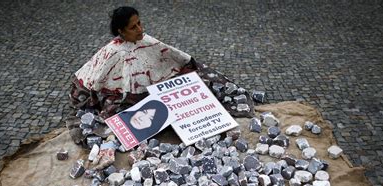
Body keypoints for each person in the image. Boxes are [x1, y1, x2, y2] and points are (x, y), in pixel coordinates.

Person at [67, 6, 256, 147]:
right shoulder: (114, 52)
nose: (140, 29)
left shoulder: (147, 40)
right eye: (133, 27)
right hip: (130, 93)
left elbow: (175, 57)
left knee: (201, 82)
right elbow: (98, 79)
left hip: (158, 85)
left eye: (140, 23)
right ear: (121, 31)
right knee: (122, 114)